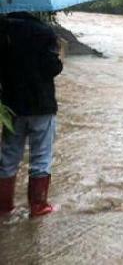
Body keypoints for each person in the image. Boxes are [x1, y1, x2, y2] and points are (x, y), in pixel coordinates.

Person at [0, 12, 63, 217]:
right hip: (41, 106)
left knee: (8, 157)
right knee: (41, 157)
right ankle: (38, 206)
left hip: (12, 106)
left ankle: (4, 208)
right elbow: (52, 68)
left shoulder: (4, 30)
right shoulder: (44, 32)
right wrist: (58, 54)